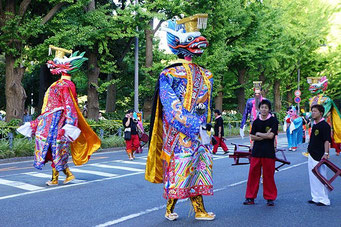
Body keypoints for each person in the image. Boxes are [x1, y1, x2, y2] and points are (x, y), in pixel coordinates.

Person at [145, 14, 215, 221]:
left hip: (200, 134)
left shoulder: (206, 75)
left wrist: (206, 128)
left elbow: (205, 106)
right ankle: (169, 208)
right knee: (180, 171)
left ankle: (199, 210)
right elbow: (171, 106)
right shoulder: (169, 74)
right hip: (179, 134)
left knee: (199, 170)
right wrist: (196, 125)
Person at [17, 45, 101, 186]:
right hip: (51, 122)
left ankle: (59, 177)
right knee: (52, 149)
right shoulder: (61, 83)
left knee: (56, 149)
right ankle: (64, 176)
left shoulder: (65, 85)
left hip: (58, 122)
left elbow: (69, 105)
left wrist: (69, 124)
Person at [243, 99, 278, 206]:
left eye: (266, 108)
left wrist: (259, 134)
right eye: (262, 107)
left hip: (268, 152)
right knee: (253, 175)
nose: (264, 109)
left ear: (269, 109)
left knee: (268, 176)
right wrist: (264, 135)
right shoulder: (256, 121)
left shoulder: (273, 121)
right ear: (259, 109)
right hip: (256, 152)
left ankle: (270, 198)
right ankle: (250, 197)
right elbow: (252, 137)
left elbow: (271, 136)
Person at [306, 76, 341, 156]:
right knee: (313, 136)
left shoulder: (326, 99)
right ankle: (311, 151)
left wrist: (311, 115)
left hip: (324, 121)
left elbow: (324, 111)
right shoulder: (312, 99)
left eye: (314, 86)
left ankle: (326, 153)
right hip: (314, 121)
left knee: (324, 138)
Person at [307, 104, 331, 206]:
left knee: (321, 176)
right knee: (312, 176)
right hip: (312, 154)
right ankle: (316, 197)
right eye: (312, 111)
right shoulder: (314, 125)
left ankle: (324, 199)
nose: (313, 113)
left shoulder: (325, 125)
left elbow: (326, 141)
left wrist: (326, 153)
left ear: (321, 113)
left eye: (315, 111)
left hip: (320, 155)